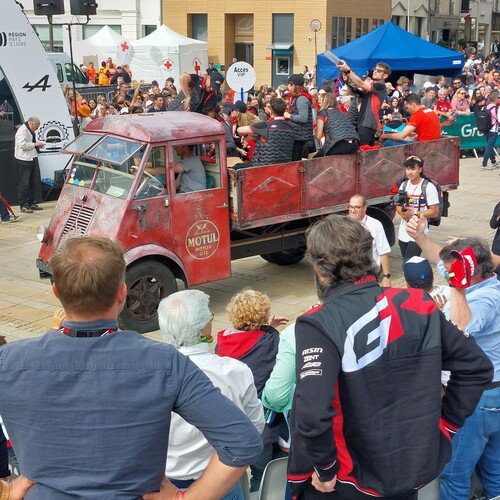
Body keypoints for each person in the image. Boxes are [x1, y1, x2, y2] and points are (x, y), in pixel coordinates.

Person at [0, 237, 263, 499]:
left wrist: (7, 491)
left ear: (56, 291)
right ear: (123, 294)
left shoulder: (8, 362)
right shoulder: (163, 362)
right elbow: (243, 442)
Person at [287, 215, 493, 500]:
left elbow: (311, 414)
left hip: (348, 481)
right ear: (370, 257)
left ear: (320, 271)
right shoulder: (419, 303)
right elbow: (477, 367)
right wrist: (446, 425)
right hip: (410, 473)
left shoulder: (318, 322)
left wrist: (325, 469)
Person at [406, 216, 500, 500]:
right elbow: (441, 260)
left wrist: (457, 288)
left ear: (469, 274)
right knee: (493, 471)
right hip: (490, 397)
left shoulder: (487, 298)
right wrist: (422, 238)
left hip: (478, 400)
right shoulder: (474, 282)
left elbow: (462, 330)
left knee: (454, 476)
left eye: (452, 273)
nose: (446, 277)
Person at [158, 290, 265, 500]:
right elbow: (255, 427)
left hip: (164, 483)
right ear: (204, 328)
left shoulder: (152, 376)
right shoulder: (236, 371)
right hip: (220, 480)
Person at [395, 155, 439, 261]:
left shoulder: (428, 187)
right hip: (404, 230)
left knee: (409, 261)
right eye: (408, 169)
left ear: (420, 169)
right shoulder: (404, 185)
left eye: (413, 169)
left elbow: (435, 211)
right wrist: (403, 214)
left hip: (419, 230)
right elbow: (397, 206)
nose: (410, 172)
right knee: (406, 262)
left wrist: (415, 215)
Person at [337, 60, 391, 145]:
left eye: (379, 70)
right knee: (366, 152)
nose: (375, 71)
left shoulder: (380, 86)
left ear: (385, 75)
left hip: (368, 123)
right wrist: (347, 78)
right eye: (375, 69)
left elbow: (360, 83)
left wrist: (348, 70)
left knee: (363, 152)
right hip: (365, 123)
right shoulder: (372, 86)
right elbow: (353, 91)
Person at [348, 194, 391, 286]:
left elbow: (383, 251)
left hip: (370, 273)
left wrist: (386, 276)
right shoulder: (343, 224)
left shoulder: (375, 225)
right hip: (349, 273)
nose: (353, 210)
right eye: (351, 207)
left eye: (357, 207)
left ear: (365, 208)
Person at [237, 97, 294, 166]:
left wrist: (246, 135)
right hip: (285, 166)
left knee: (238, 166)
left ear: (271, 110)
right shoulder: (291, 127)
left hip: (263, 166)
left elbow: (239, 130)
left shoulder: (264, 126)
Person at [313, 91, 359, 157]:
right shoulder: (341, 113)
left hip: (338, 145)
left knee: (315, 160)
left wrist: (314, 133)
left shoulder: (323, 113)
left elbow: (318, 136)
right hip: (353, 144)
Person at [14, 116, 44, 214]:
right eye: (37, 126)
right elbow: (22, 145)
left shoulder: (30, 130)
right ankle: (23, 205)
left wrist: (36, 145)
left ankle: (31, 202)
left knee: (32, 183)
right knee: (24, 184)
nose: (37, 128)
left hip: (32, 158)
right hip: (23, 160)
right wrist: (35, 145)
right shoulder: (22, 131)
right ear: (32, 124)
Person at [284, 74, 315, 160]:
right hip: (299, 137)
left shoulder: (302, 99)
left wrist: (288, 115)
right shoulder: (296, 98)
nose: (287, 87)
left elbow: (303, 118)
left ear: (293, 85)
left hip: (302, 139)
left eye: (288, 84)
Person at [479, 91, 500, 171]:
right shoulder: (496, 108)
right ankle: (484, 165)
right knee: (489, 147)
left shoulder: (485, 107)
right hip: (493, 130)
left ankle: (493, 161)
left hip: (486, 129)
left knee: (489, 145)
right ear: (496, 99)